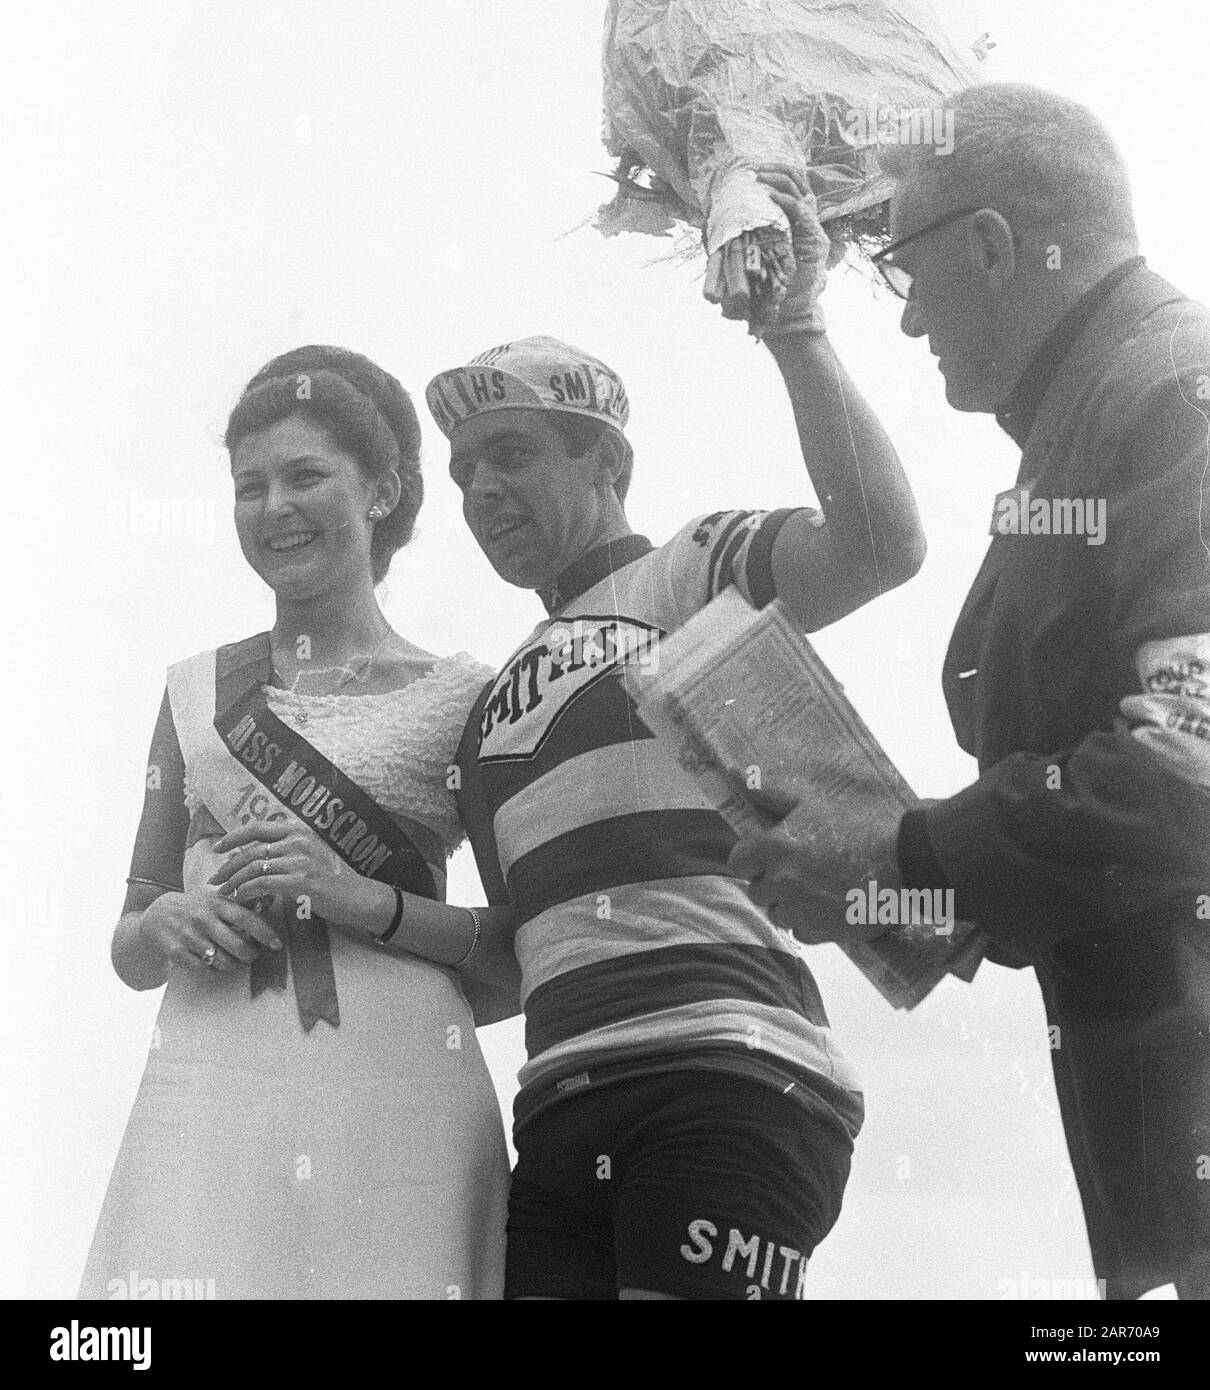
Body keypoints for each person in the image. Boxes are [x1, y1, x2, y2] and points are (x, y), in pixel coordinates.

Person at [730, 84, 1210, 1300]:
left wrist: (902, 854)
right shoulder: (1102, 420)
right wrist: (904, 887)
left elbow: (1189, 764)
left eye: (902, 270)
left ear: (994, 244)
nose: (904, 322)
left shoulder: (1170, 396)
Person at [424, 170, 927, 1299]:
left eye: (512, 454)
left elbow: (883, 545)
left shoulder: (692, 569)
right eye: (463, 470)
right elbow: (515, 956)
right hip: (557, 1109)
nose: (479, 488)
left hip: (732, 1076)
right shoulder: (480, 716)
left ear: (609, 464)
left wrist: (794, 328)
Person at [80, 345, 518, 1300]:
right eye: (250, 486)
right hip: (209, 1081)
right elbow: (130, 933)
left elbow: (520, 955)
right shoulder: (195, 692)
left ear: (382, 491)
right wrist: (162, 925)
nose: (273, 506)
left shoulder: (466, 697)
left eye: (305, 475)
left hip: (401, 1088)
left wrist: (358, 899)